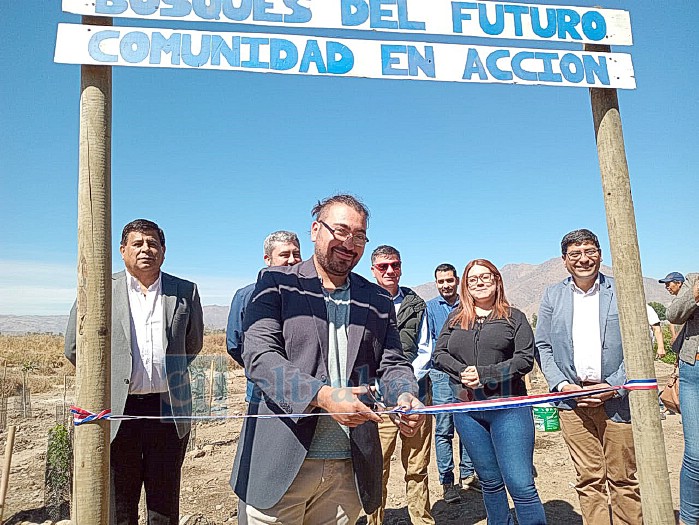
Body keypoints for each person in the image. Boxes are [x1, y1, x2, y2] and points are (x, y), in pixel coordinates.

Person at [230, 194, 426, 524]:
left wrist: (405, 395)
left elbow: (392, 362)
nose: (349, 242)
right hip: (281, 463)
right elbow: (259, 356)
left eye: (359, 235)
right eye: (340, 230)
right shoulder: (276, 284)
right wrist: (322, 397)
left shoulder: (376, 298)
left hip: (349, 470)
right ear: (314, 230)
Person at [65, 219, 204, 525]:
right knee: (119, 501)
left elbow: (192, 345)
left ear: (163, 252)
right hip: (116, 410)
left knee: (164, 502)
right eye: (138, 243)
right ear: (122, 250)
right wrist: (110, 380)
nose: (146, 249)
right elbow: (75, 348)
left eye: (153, 243)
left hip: (167, 410)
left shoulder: (185, 291)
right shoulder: (99, 288)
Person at [535, 229, 642, 524]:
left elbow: (639, 342)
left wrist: (615, 385)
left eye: (590, 251)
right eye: (576, 254)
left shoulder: (622, 290)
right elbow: (542, 345)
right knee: (588, 479)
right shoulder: (552, 295)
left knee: (623, 479)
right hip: (573, 403)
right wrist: (563, 385)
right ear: (565, 261)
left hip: (616, 400)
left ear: (600, 254)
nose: (584, 259)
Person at [433, 259, 545, 525]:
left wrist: (485, 375)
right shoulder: (455, 318)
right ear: (466, 286)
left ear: (497, 281)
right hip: (467, 411)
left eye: (485, 277)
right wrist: (462, 371)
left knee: (520, 484)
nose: (479, 283)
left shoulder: (513, 317)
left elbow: (524, 360)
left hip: (509, 410)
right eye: (473, 279)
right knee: (490, 483)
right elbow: (439, 354)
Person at [367, 245, 433, 525]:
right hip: (377, 403)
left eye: (395, 265)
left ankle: (422, 520)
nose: (390, 271)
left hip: (416, 400)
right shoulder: (363, 303)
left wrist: (406, 389)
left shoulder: (417, 305)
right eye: (383, 266)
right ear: (373, 270)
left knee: (417, 467)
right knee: (376, 469)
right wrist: (379, 388)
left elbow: (425, 350)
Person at [415, 263, 477, 504]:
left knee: (467, 424)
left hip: (465, 376)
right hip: (440, 375)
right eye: (441, 282)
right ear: (436, 283)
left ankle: (469, 476)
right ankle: (447, 482)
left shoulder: (469, 305)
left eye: (449, 281)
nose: (445, 286)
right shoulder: (429, 308)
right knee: (443, 429)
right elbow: (427, 344)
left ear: (457, 280)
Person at [226, 231, 301, 402]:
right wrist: (263, 368)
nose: (292, 260)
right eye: (284, 254)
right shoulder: (246, 295)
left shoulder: (312, 295)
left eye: (296, 254)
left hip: (304, 391)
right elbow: (235, 344)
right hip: (261, 390)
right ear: (267, 259)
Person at [666, 273, 699, 525]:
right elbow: (674, 314)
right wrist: (695, 293)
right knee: (695, 454)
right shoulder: (692, 280)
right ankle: (689, 520)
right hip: (694, 372)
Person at [660, 272, 686, 342]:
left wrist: (678, 335)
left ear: (678, 283)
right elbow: (671, 321)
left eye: (668, 284)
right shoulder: (675, 302)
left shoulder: (688, 301)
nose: (667, 287)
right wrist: (674, 335)